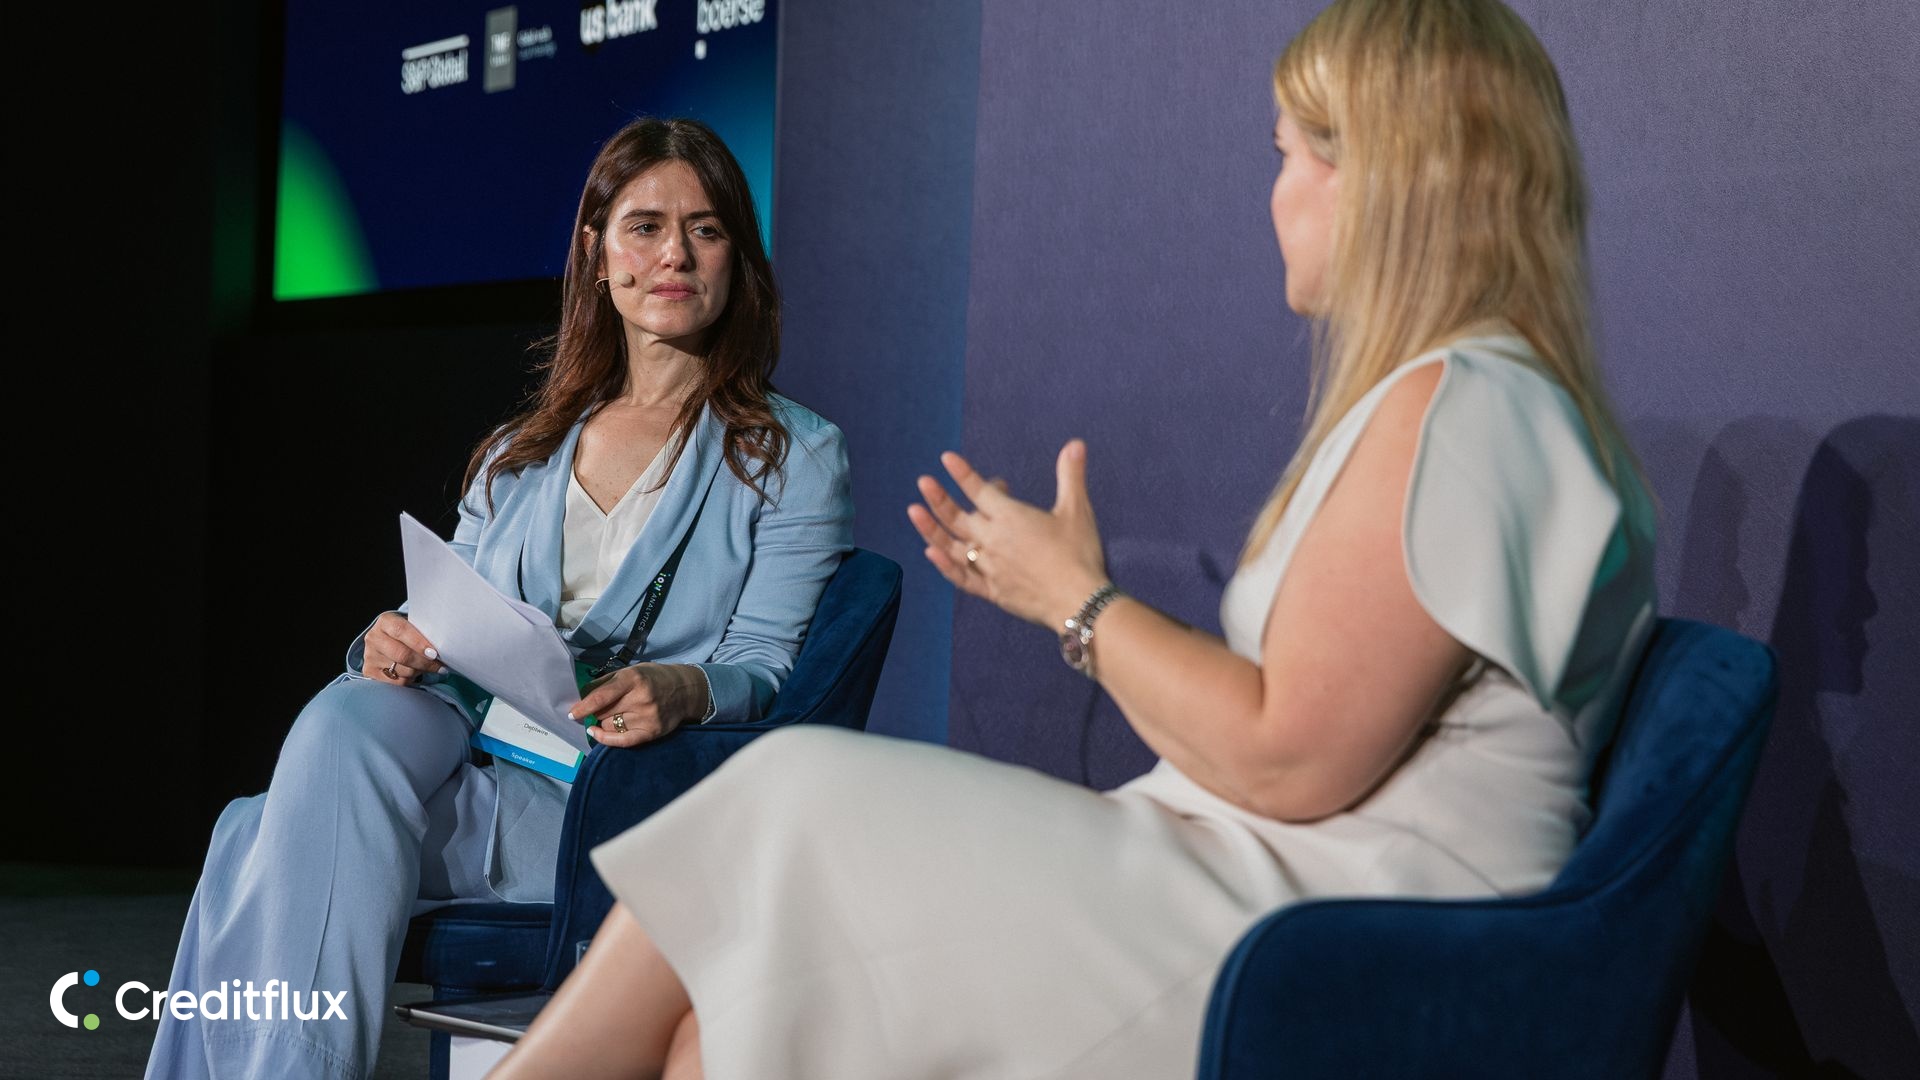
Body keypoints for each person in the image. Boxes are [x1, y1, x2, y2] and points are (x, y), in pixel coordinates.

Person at [490, 0, 1659, 1076]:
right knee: (728, 1025)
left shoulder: (1461, 409)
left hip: (1321, 935)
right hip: (1256, 875)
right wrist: (1073, 600)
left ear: (1392, 174)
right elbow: (1294, 740)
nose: (1276, 194)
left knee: (782, 795)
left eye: (1293, 154)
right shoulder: (1463, 400)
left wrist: (1079, 605)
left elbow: (1288, 761)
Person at [145, 117, 853, 1079]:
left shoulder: (792, 453)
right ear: (597, 253)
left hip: (623, 795)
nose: (674, 256)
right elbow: (451, 626)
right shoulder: (521, 453)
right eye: (645, 227)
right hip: (479, 753)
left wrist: (685, 687)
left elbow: (770, 667)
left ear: (739, 259)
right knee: (348, 716)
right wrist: (392, 643)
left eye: (706, 229)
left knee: (255, 835)